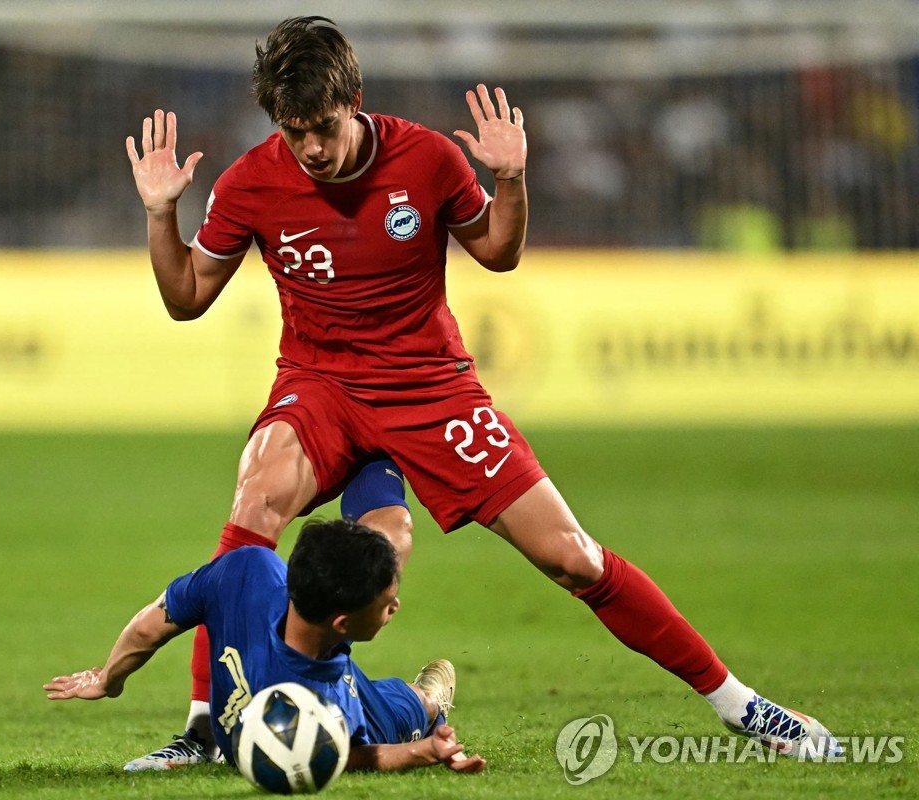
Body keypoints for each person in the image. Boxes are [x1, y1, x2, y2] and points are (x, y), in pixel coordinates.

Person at [123, 16, 840, 768]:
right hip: (320, 384)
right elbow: (186, 296)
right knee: (252, 509)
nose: (310, 149)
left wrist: (511, 177)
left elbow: (498, 251)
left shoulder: (426, 158)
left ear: (354, 99)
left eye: (323, 128)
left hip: (429, 388)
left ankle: (744, 707)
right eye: (293, 131)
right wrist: (160, 211)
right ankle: (206, 729)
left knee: (573, 559)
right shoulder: (251, 181)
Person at [44, 517, 485, 775]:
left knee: (404, 699)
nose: (395, 607)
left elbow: (150, 627)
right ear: (343, 623)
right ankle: (429, 702)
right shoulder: (319, 702)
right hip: (361, 708)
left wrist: (109, 678)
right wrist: (423, 750)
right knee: (415, 706)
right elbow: (349, 757)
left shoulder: (247, 568)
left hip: (319, 681)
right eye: (386, 603)